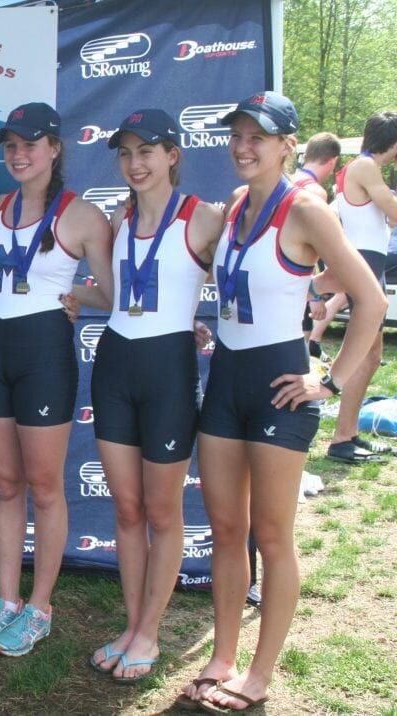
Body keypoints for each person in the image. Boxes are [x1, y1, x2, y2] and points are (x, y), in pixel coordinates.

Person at [180, 92, 385, 713]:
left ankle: (260, 673)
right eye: (237, 136)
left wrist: (331, 379)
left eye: (258, 138)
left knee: (272, 535)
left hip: (280, 384)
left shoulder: (306, 208)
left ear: (287, 145)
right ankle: (223, 656)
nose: (243, 147)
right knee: (225, 531)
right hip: (226, 379)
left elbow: (371, 299)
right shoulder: (238, 203)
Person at [0, 102, 114, 656]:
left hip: (44, 356)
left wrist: (75, 297)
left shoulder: (82, 215)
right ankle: (5, 600)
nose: (18, 154)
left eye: (29, 144)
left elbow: (116, 293)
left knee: (45, 488)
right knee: (5, 484)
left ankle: (40, 607)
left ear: (54, 148)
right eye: (10, 146)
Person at [86, 110, 223, 682]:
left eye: (148, 151)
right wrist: (71, 297)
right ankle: (131, 622)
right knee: (126, 509)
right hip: (115, 365)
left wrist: (214, 327)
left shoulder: (204, 218)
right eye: (126, 154)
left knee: (163, 512)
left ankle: (150, 631)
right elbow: (118, 296)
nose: (135, 163)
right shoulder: (117, 218)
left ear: (173, 155)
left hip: (167, 370)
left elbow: (244, 276)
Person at [324, 112, 397, 464]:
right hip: (365, 264)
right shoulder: (366, 167)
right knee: (363, 354)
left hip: (369, 263)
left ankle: (347, 432)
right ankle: (341, 438)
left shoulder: (363, 168)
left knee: (369, 355)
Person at [292, 132, 342, 360]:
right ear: (332, 161)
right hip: (296, 278)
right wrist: (314, 296)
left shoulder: (287, 180)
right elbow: (306, 246)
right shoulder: (314, 193)